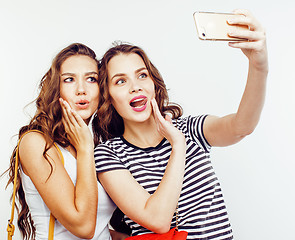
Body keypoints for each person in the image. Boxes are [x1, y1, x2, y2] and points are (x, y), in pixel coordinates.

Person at [94, 9, 268, 240]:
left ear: (154, 84)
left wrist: (259, 67)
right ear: (108, 96)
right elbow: (157, 220)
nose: (135, 86)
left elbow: (241, 126)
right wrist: (178, 145)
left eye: (142, 75)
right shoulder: (108, 154)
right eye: (121, 81)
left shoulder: (190, 129)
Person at [4, 43, 118, 240]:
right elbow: (83, 227)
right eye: (69, 79)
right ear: (56, 88)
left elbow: (100, 228)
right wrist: (84, 149)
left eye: (91, 79)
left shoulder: (98, 144)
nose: (81, 89)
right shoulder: (37, 143)